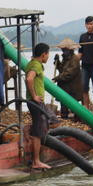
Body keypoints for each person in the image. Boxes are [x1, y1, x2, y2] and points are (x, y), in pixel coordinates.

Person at [25, 42, 52, 170]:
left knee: (45, 125)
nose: (48, 57)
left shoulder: (32, 63)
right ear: (43, 54)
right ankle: (36, 161)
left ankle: (36, 159)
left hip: (35, 102)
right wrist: (35, 96)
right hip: (36, 102)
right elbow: (29, 79)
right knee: (37, 132)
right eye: (48, 54)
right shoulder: (36, 65)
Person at [53, 38, 82, 119]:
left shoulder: (75, 59)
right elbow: (62, 70)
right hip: (65, 86)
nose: (63, 51)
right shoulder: (65, 58)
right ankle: (64, 118)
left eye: (65, 50)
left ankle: (77, 119)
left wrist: (56, 78)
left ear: (70, 50)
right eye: (63, 50)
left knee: (74, 104)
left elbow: (69, 74)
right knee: (63, 103)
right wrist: (57, 62)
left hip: (73, 87)